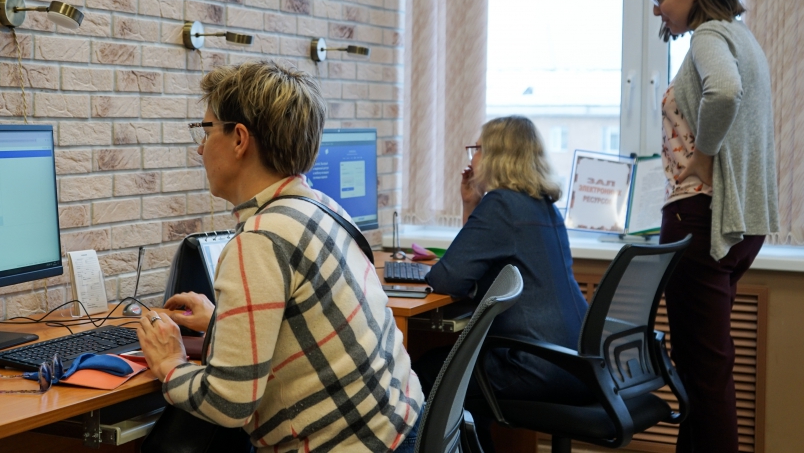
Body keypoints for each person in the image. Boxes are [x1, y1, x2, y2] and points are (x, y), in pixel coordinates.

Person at [134, 60, 424, 453]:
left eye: (206, 130)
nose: (200, 147)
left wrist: (170, 364)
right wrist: (223, 322)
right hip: (402, 429)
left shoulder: (260, 240)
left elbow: (228, 402)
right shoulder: (322, 207)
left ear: (239, 139)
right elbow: (303, 320)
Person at [648, 0, 779, 453]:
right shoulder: (742, 37)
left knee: (703, 377)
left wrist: (702, 157)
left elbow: (723, 92)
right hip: (739, 223)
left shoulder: (708, 36)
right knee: (707, 371)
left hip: (699, 217)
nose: (657, 10)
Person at [415, 115, 590, 451]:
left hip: (533, 367)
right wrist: (471, 204)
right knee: (463, 368)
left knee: (425, 370)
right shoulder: (543, 207)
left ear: (498, 155)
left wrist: (478, 205)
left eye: (478, 149)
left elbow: (447, 277)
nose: (472, 158)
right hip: (576, 363)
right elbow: (475, 262)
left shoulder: (502, 205)